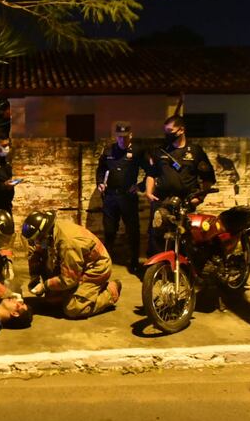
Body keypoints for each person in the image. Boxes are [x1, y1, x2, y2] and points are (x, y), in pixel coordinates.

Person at [21, 210, 121, 319]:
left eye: (37, 240)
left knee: (73, 308)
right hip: (76, 264)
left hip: (95, 268)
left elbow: (69, 279)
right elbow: (34, 253)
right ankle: (77, 293)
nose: (36, 243)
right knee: (52, 300)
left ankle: (111, 291)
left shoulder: (68, 244)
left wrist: (45, 285)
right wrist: (34, 275)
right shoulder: (48, 233)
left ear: (45, 234)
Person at [145, 115, 216, 256]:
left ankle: (181, 272)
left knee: (184, 237)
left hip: (186, 202)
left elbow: (207, 178)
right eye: (165, 131)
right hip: (162, 201)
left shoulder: (195, 152)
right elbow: (151, 174)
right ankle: (157, 271)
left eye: (170, 130)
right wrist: (148, 192)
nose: (167, 134)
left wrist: (200, 198)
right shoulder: (161, 151)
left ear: (181, 130)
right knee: (157, 236)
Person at [96, 121, 149, 272]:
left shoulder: (138, 152)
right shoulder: (109, 151)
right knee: (110, 231)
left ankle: (134, 261)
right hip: (111, 197)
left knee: (133, 230)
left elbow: (151, 171)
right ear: (116, 136)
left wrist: (140, 186)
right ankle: (108, 260)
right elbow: (101, 169)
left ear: (130, 136)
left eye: (125, 137)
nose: (122, 140)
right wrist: (100, 182)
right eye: (119, 137)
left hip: (128, 197)